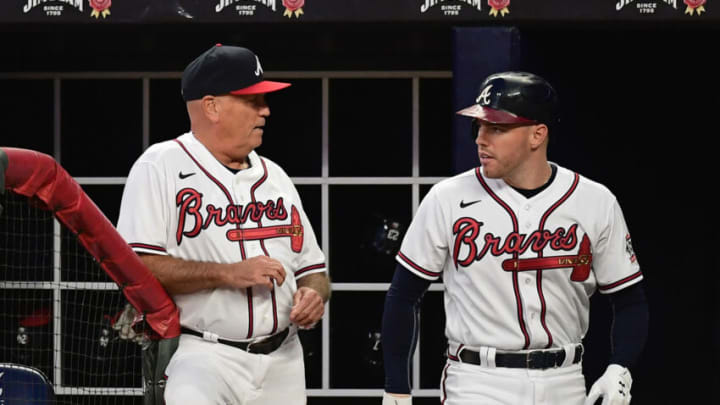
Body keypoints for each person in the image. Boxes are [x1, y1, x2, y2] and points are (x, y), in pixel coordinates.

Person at [381, 71, 648, 405]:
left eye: (497, 128)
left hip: (564, 380)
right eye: (479, 126)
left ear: (537, 135)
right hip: (478, 380)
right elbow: (404, 295)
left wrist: (619, 367)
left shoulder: (594, 201)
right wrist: (396, 388)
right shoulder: (447, 198)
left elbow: (629, 300)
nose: (481, 138)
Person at [117, 44, 330, 405]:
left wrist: (314, 294)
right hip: (204, 356)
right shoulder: (161, 165)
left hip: (284, 360)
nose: (265, 110)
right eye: (252, 100)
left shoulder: (275, 176)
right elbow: (136, 266)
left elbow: (314, 269)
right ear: (212, 106)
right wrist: (229, 273)